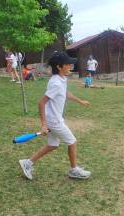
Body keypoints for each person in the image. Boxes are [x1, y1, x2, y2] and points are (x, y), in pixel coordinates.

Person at [18, 51, 92, 180]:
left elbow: (65, 93)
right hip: (54, 121)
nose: (70, 67)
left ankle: (27, 163)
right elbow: (41, 103)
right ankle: (74, 170)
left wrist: (80, 101)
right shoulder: (56, 83)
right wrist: (44, 124)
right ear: (59, 66)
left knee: (53, 145)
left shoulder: (61, 79)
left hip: (54, 119)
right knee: (72, 142)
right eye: (68, 64)